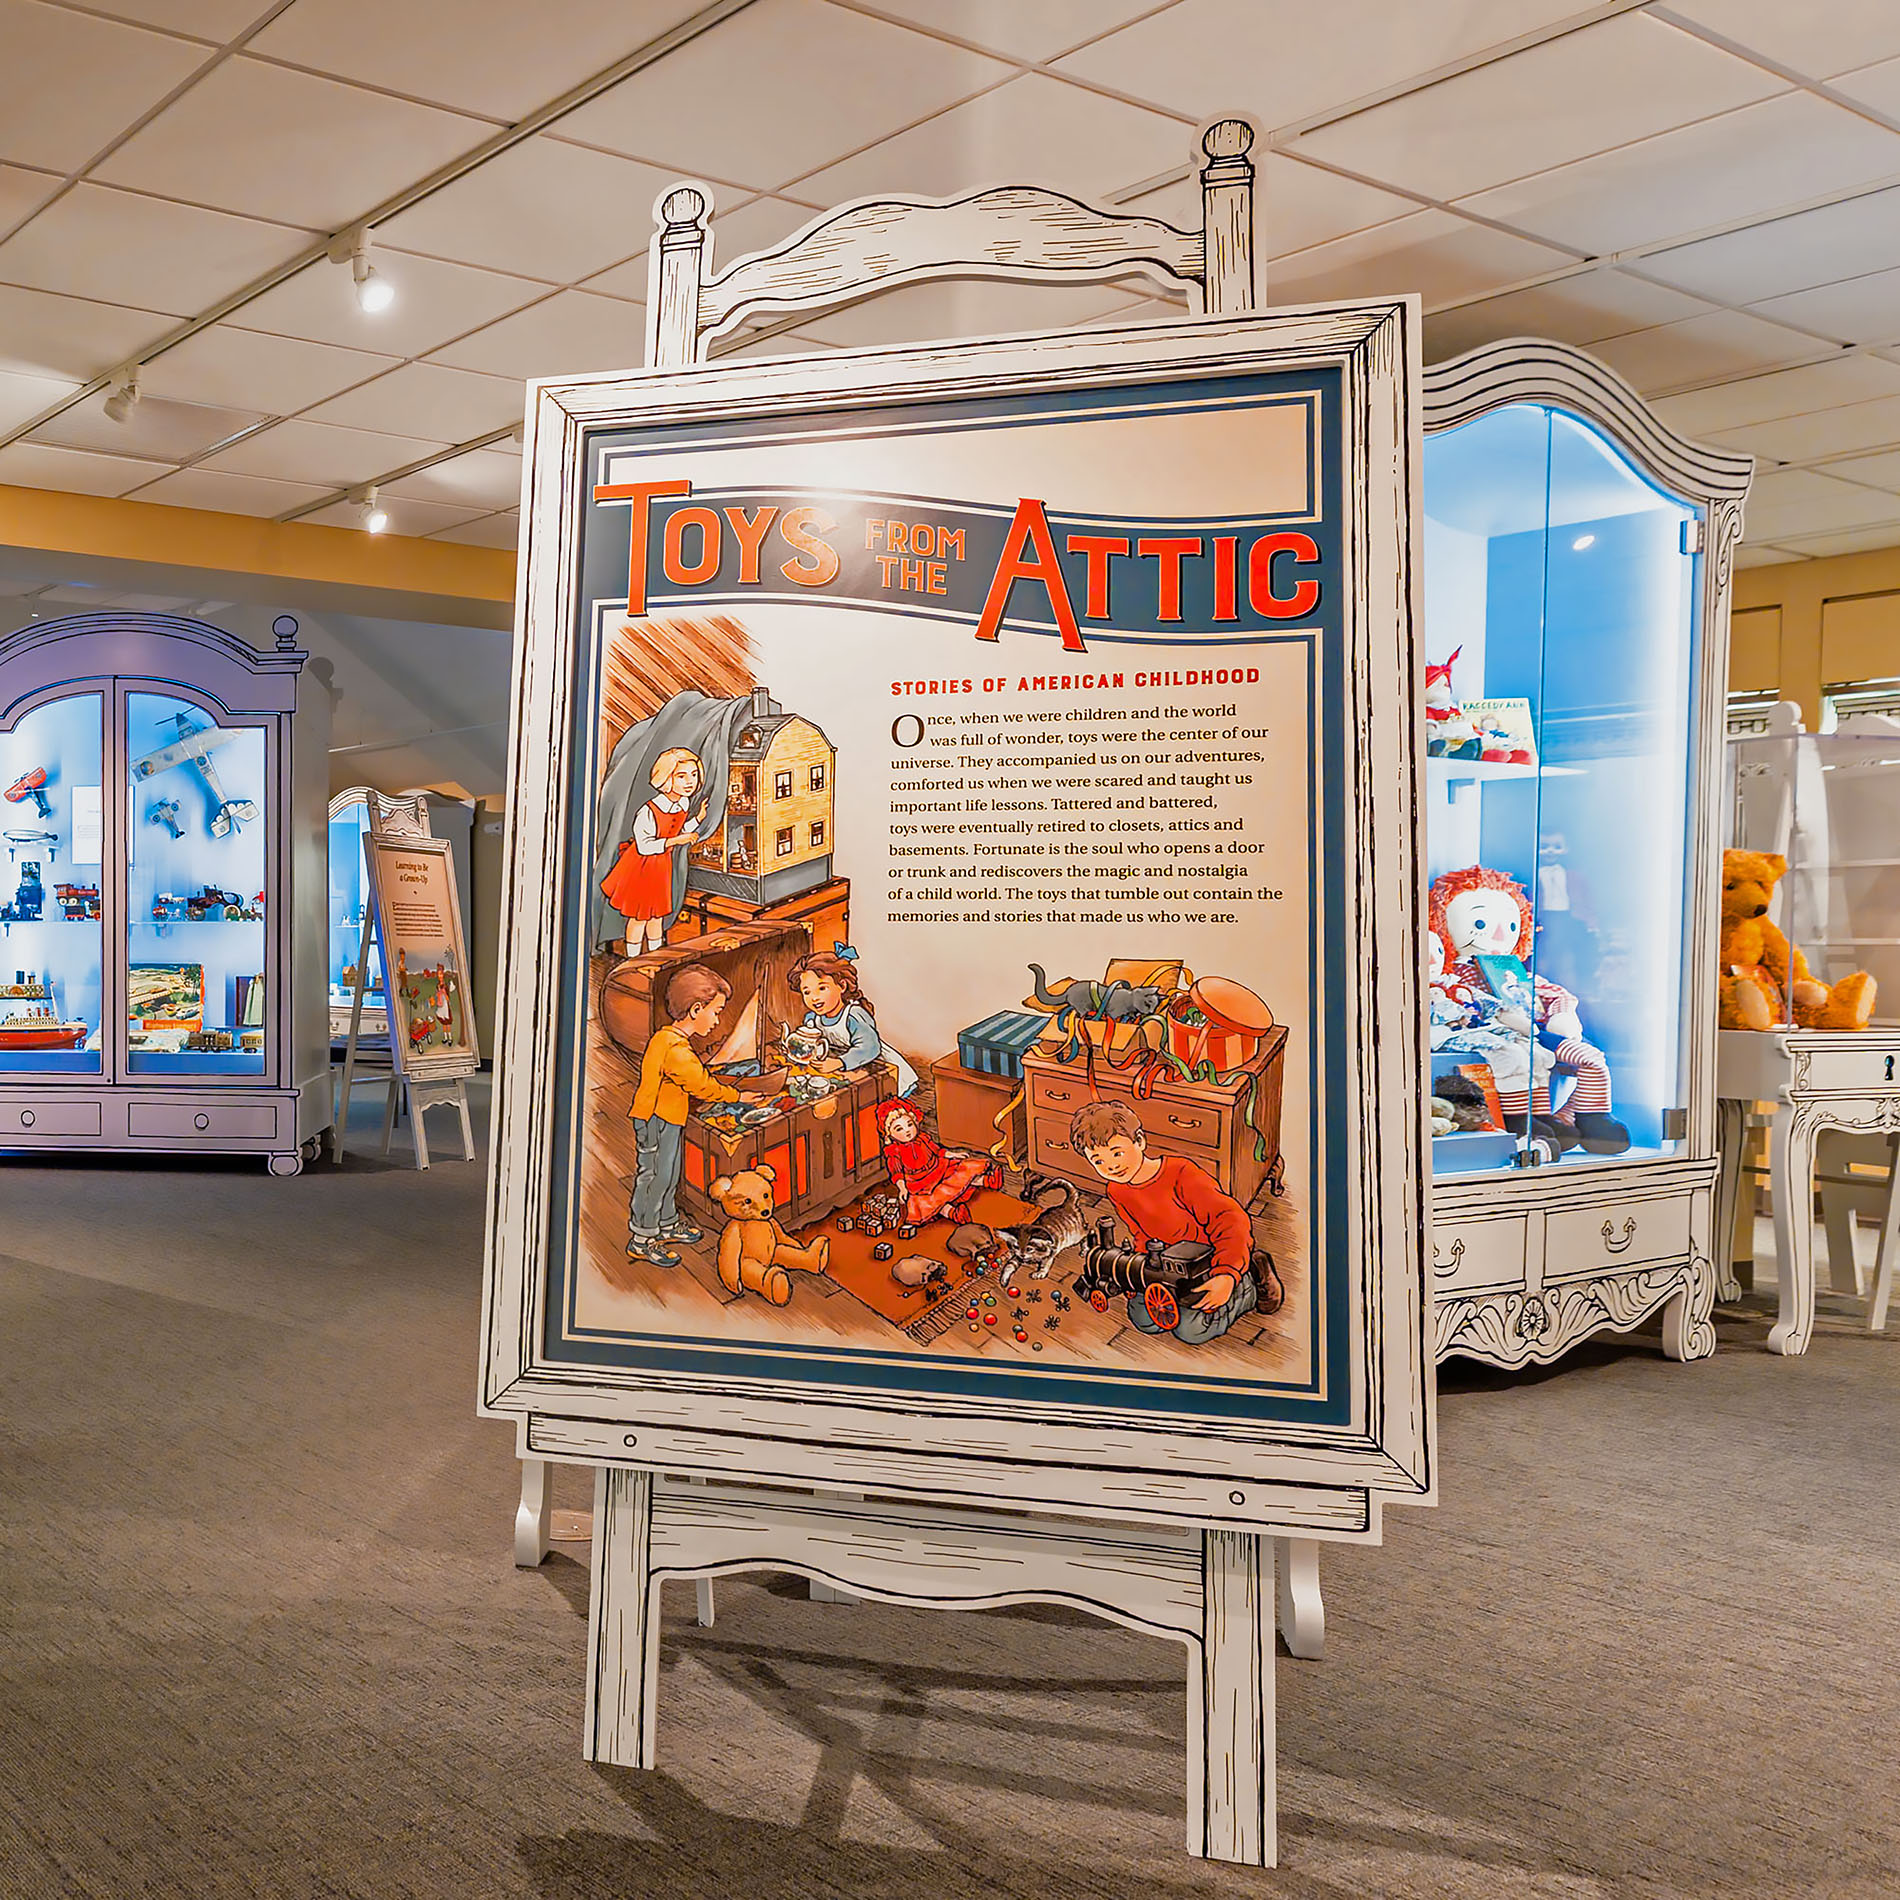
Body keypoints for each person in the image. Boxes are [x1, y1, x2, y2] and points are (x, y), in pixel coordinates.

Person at [1070, 1100, 1284, 1345]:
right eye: (1098, 1161)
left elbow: (1230, 1218)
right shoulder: (1117, 1189)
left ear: (1139, 1141)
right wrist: (1137, 1270)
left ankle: (1250, 1281)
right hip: (1165, 1264)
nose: (1111, 1166)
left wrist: (1226, 1274)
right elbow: (1141, 1233)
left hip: (1207, 1259)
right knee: (1142, 1318)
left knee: (1191, 1331)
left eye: (1117, 1152)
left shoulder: (1181, 1174)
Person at [628, 964, 763, 1268]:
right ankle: (642, 1238)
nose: (717, 1020)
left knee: (668, 1174)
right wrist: (738, 1096)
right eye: (715, 1012)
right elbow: (701, 1085)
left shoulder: (671, 1039)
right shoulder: (675, 1049)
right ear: (695, 1009)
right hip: (656, 1121)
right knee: (654, 1178)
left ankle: (666, 1222)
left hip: (668, 1118)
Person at [600, 747, 703, 957]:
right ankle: (632, 960)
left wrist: (698, 819)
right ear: (665, 778)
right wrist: (678, 840)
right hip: (640, 867)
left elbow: (679, 829)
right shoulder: (648, 811)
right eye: (681, 776)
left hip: (661, 867)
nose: (689, 781)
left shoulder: (683, 802)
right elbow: (644, 845)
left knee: (656, 916)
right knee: (639, 917)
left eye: (693, 774)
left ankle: (654, 959)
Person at [787, 947, 917, 1095]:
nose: (814, 997)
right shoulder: (812, 1019)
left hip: (883, 1068)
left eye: (822, 988)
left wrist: (839, 1063)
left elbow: (869, 1048)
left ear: (842, 986)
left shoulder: (853, 1015)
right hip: (852, 1069)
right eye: (807, 992)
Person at [875, 1098, 999, 1226]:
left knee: (958, 1174)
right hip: (919, 1183)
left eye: (910, 1124)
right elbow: (897, 1173)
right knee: (932, 1201)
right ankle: (953, 1213)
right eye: (899, 1129)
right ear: (889, 1134)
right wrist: (902, 1188)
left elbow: (937, 1151)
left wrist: (953, 1154)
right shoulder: (894, 1151)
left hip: (937, 1168)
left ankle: (986, 1180)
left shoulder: (922, 1138)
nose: (907, 1130)